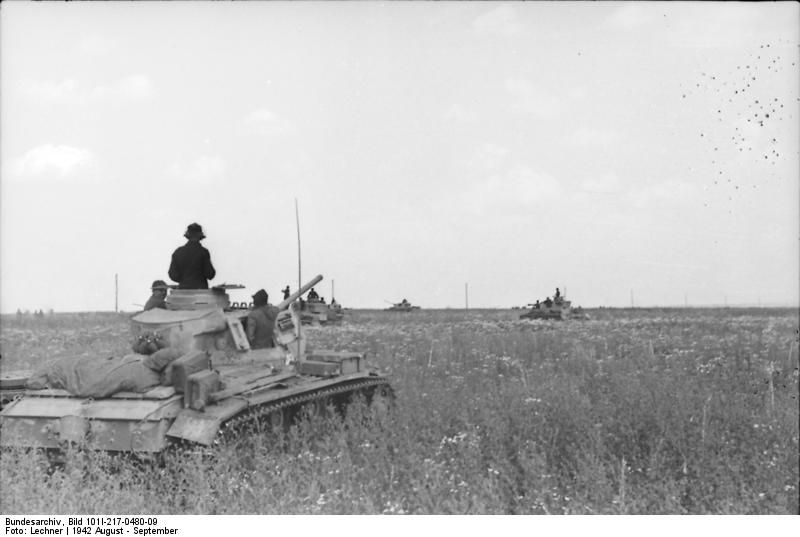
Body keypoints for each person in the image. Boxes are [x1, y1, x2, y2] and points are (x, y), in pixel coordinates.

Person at [168, 223, 216, 289]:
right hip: (200, 291)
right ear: (200, 236)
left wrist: (184, 280)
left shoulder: (178, 252)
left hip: (183, 291)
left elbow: (172, 274)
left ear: (188, 235)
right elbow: (210, 274)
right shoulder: (203, 252)